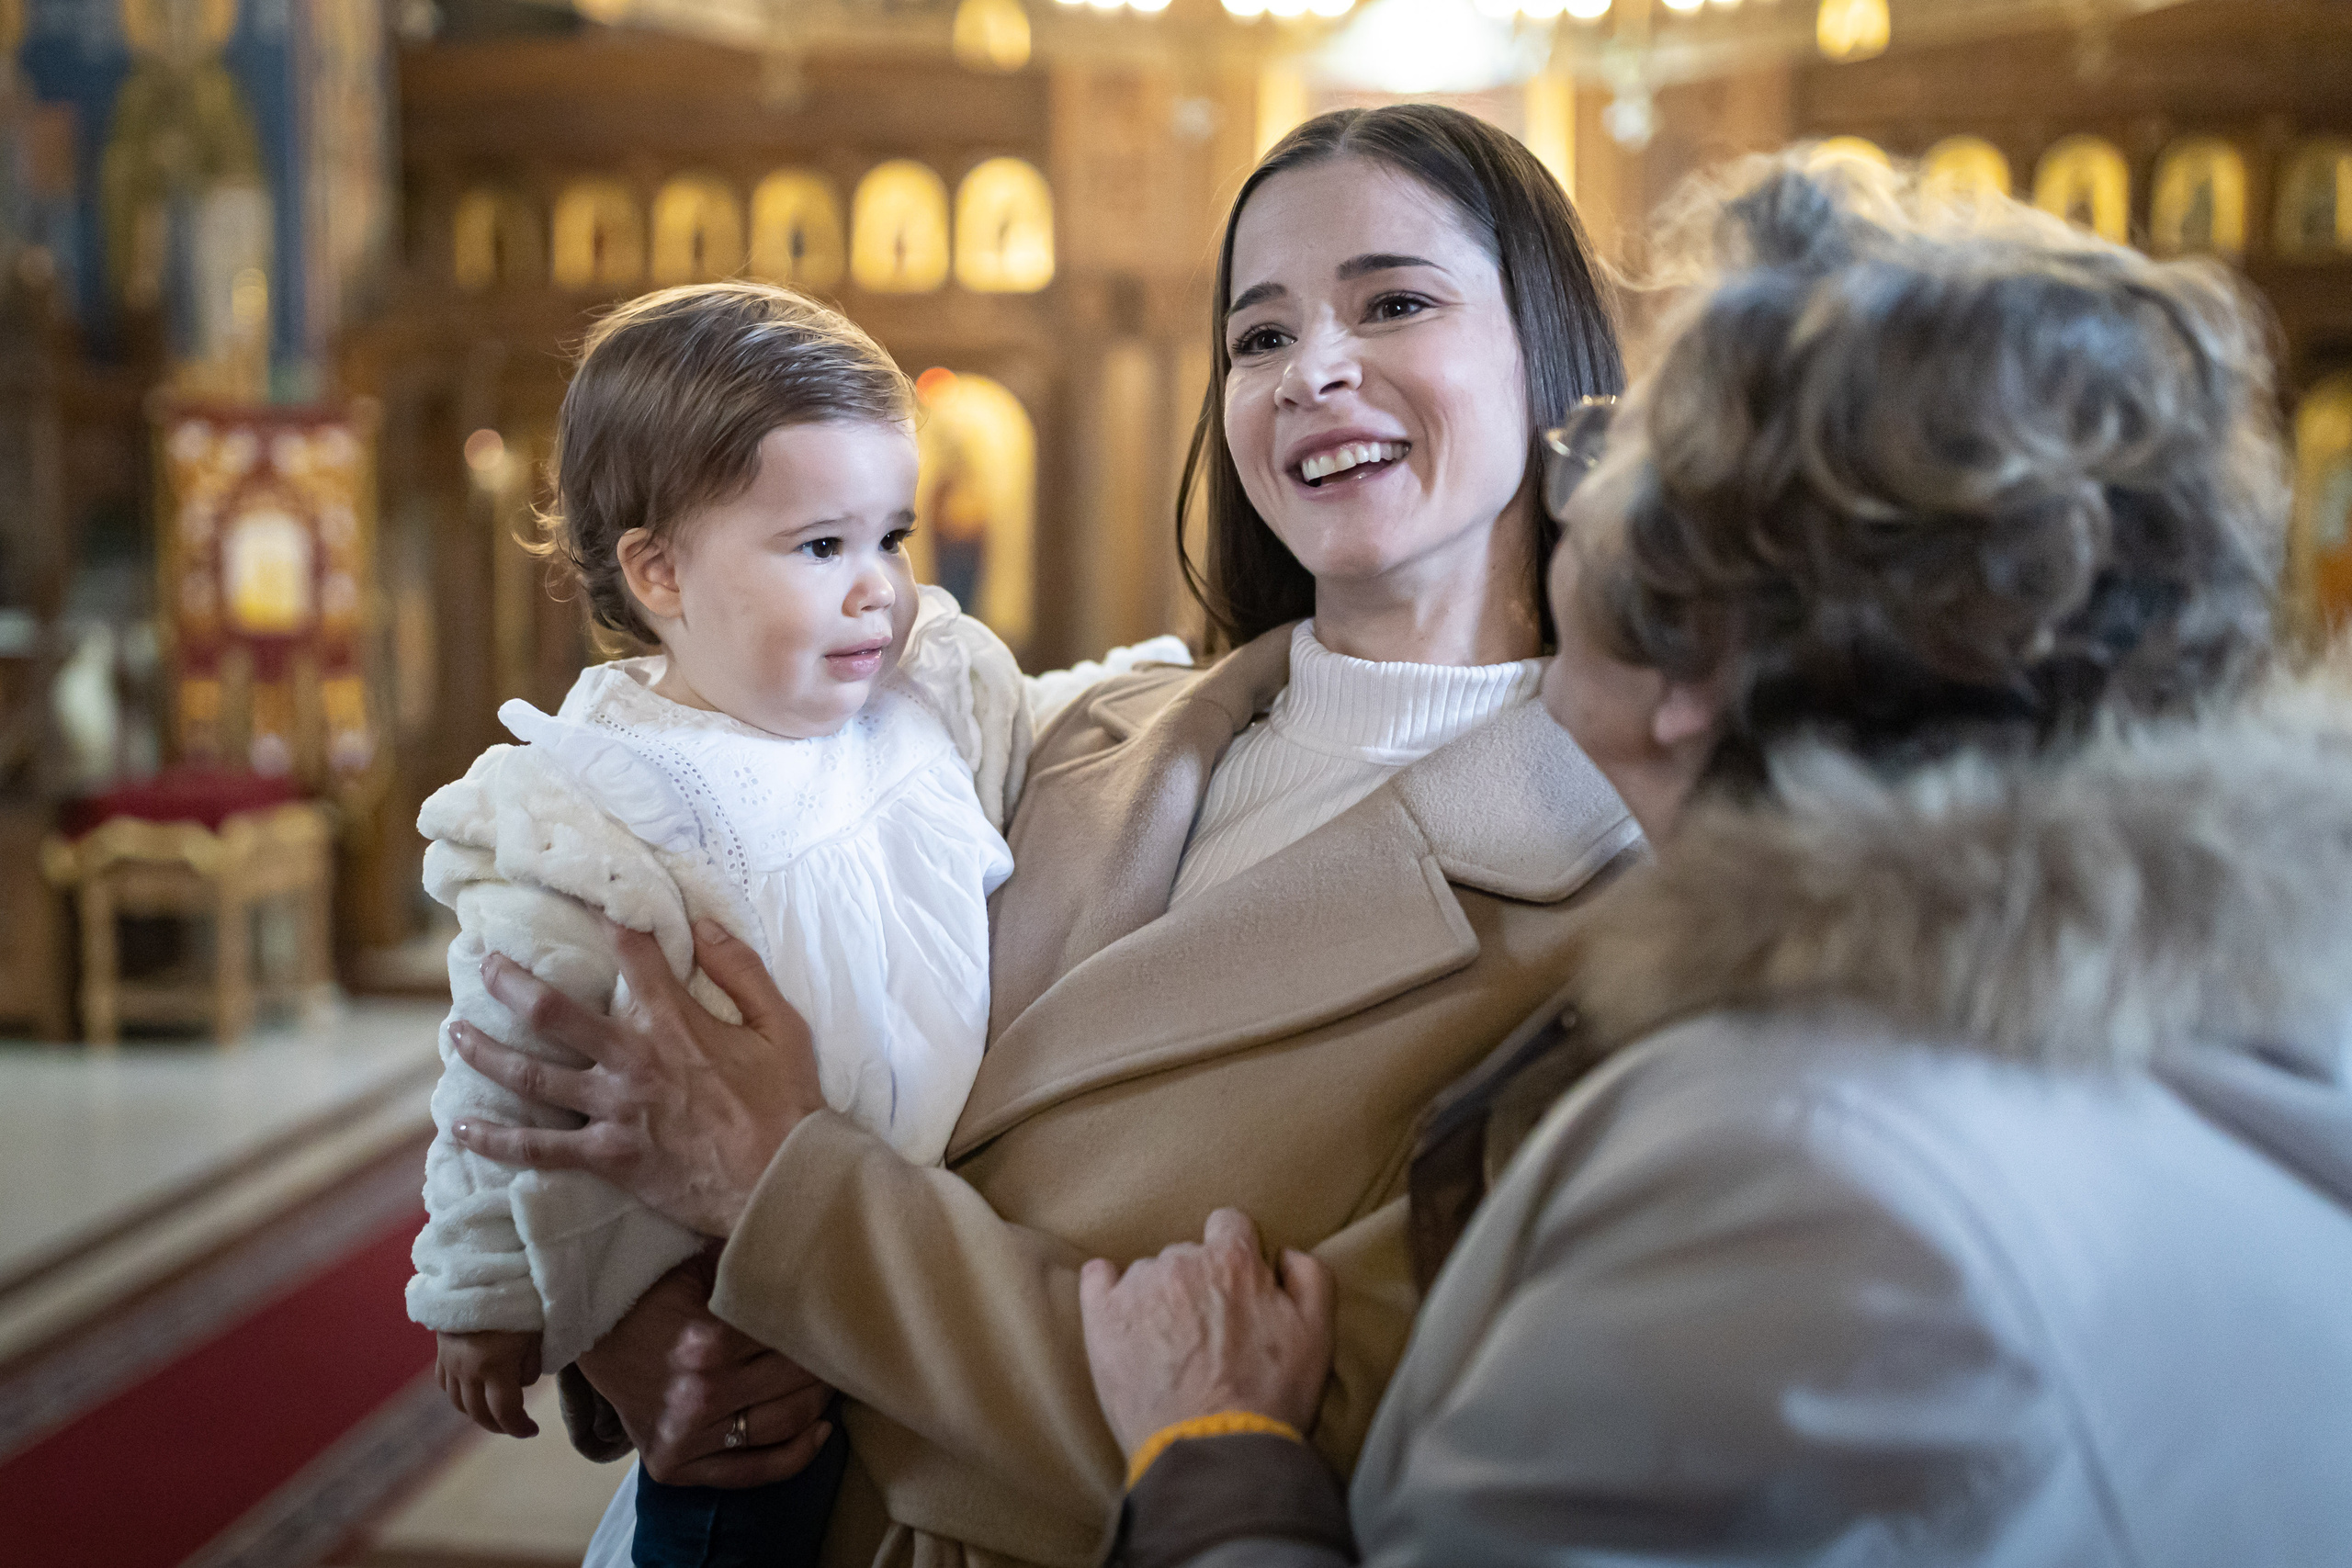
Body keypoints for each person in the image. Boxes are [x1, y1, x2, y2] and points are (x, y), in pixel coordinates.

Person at [1077, 152, 2352, 1565]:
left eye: (1633, 464)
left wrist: (1218, 1458)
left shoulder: (1791, 1166)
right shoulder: (2233, 1026)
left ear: (1701, 645)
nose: (1585, 476)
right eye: (1262, 332)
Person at [437, 104, 1634, 1566]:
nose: (1312, 368)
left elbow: (1353, 1447)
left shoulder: (1620, 900)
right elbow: (698, 961)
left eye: (1395, 301)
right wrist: (638, 1332)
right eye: (1257, 338)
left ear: (1551, 361)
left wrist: (788, 1200)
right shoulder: (1076, 735)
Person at [406, 282, 1180, 1568]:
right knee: (743, 1506)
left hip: (923, 1250)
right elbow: (505, 1056)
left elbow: (1058, 717)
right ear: (659, 570)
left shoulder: (922, 704)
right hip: (740, 1295)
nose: (878, 588)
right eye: (822, 547)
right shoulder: (605, 802)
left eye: (893, 536)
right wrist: (481, 1291)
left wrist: (1170, 686)